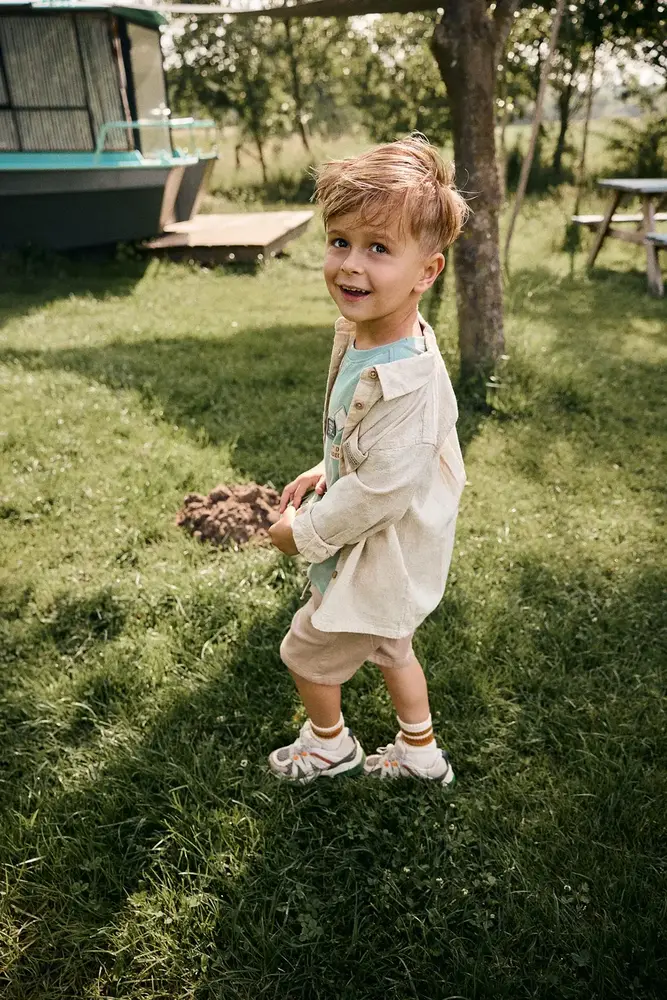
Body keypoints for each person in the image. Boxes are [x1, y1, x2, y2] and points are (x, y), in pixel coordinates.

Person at [267, 133, 468, 784]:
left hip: (380, 551)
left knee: (304, 650)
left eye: (378, 248)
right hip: (392, 549)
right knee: (392, 646)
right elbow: (359, 443)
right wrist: (325, 470)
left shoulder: (406, 384)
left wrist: (301, 534)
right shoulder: (369, 331)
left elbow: (380, 489)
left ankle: (330, 745)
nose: (351, 264)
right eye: (340, 241)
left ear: (426, 272)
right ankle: (420, 753)